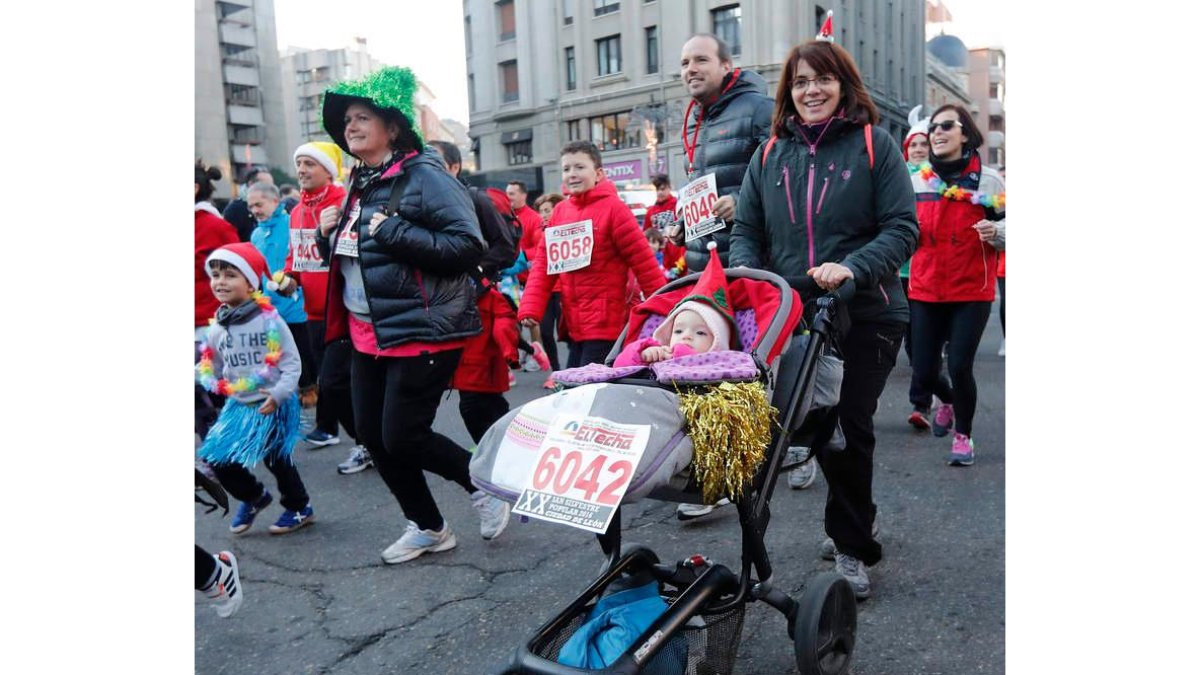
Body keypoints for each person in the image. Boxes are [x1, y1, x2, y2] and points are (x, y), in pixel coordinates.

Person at [729, 15, 919, 599]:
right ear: (787, 91)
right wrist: (751, 281)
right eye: (800, 81)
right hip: (795, 315)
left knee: (847, 425)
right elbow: (746, 231)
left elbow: (902, 228)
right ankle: (858, 512)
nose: (811, 90)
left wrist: (854, 268)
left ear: (844, 85)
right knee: (811, 426)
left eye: (823, 79)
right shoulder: (769, 155)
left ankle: (852, 544)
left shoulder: (873, 144)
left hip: (868, 310)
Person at [316, 66, 511, 564]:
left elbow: (467, 246)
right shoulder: (360, 180)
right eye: (347, 121)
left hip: (424, 331)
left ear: (393, 127)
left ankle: (482, 484)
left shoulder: (424, 175)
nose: (350, 126)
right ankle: (428, 526)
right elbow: (359, 256)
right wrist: (328, 234)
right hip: (368, 332)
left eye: (362, 117)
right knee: (376, 439)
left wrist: (392, 231)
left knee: (403, 434)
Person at [907, 104, 1006, 467]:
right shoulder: (918, 178)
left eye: (947, 125)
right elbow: (899, 226)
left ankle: (963, 435)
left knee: (961, 365)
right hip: (925, 286)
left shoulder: (989, 180)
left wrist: (998, 231)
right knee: (924, 370)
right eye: (933, 127)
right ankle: (946, 400)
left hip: (971, 291)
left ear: (965, 133)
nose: (937, 132)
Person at [197, 243, 315, 535]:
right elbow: (214, 366)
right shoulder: (217, 327)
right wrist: (207, 378)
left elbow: (291, 364)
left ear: (250, 282)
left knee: (277, 460)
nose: (220, 282)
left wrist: (278, 394)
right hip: (239, 405)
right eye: (215, 275)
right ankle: (253, 496)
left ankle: (299, 506)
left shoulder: (269, 321)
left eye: (229, 275)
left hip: (272, 401)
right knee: (215, 458)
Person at [517, 141, 666, 368]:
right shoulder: (560, 212)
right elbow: (543, 265)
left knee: (584, 393)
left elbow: (645, 265)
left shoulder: (615, 209)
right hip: (574, 324)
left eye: (579, 167)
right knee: (574, 391)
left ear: (598, 173)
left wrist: (665, 313)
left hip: (607, 324)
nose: (572, 174)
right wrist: (530, 307)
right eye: (567, 169)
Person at [279, 141, 370, 475]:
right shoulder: (296, 212)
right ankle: (370, 441)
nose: (302, 170)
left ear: (328, 171)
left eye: (309, 164)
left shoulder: (343, 203)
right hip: (312, 312)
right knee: (336, 382)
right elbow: (295, 260)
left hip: (346, 310)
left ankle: (367, 442)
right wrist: (289, 280)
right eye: (299, 163)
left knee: (332, 384)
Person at [428, 140, 524, 445]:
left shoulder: (476, 200)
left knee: (477, 397)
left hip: (480, 305)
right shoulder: (424, 201)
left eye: (436, 162)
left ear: (455, 167)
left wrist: (473, 269)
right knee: (477, 397)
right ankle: (501, 449)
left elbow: (506, 249)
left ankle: (500, 453)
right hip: (444, 310)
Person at [667, 33, 774, 272]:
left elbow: (785, 178)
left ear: (726, 66)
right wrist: (685, 225)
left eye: (701, 60)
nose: (691, 69)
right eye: (685, 63)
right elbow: (703, 187)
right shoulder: (693, 122)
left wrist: (740, 203)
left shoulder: (760, 108)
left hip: (751, 264)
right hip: (701, 269)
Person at [898, 107, 952, 433]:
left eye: (922, 144)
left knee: (922, 342)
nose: (918, 150)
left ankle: (920, 403)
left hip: (930, 270)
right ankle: (929, 388)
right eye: (913, 145)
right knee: (908, 339)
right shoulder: (898, 176)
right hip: (899, 271)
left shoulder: (940, 180)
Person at [246, 182, 318, 411]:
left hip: (297, 304)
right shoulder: (256, 233)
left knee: (303, 352)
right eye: (251, 206)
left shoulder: (291, 224)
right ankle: (293, 396)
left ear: (275, 201)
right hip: (270, 307)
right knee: (281, 355)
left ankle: (313, 392)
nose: (255, 210)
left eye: (259, 204)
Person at [614, 241, 736, 367]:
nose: (686, 336)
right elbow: (619, 367)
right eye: (678, 331)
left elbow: (689, 366)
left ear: (718, 342)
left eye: (700, 333)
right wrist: (642, 354)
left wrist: (680, 353)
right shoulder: (661, 354)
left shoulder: (724, 364)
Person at [195, 161, 240, 445]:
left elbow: (242, 271)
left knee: (211, 390)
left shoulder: (214, 226)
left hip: (210, 323)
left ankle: (224, 447)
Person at [532, 192, 567, 385]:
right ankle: (555, 372)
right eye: (541, 211)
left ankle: (573, 371)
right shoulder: (540, 232)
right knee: (545, 331)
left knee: (569, 334)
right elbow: (531, 253)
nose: (544, 214)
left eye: (547, 210)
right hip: (547, 290)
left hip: (564, 289)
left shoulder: (566, 228)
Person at [223, 167, 274, 242]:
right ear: (251, 184)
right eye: (265, 185)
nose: (270, 189)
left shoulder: (275, 207)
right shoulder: (235, 210)